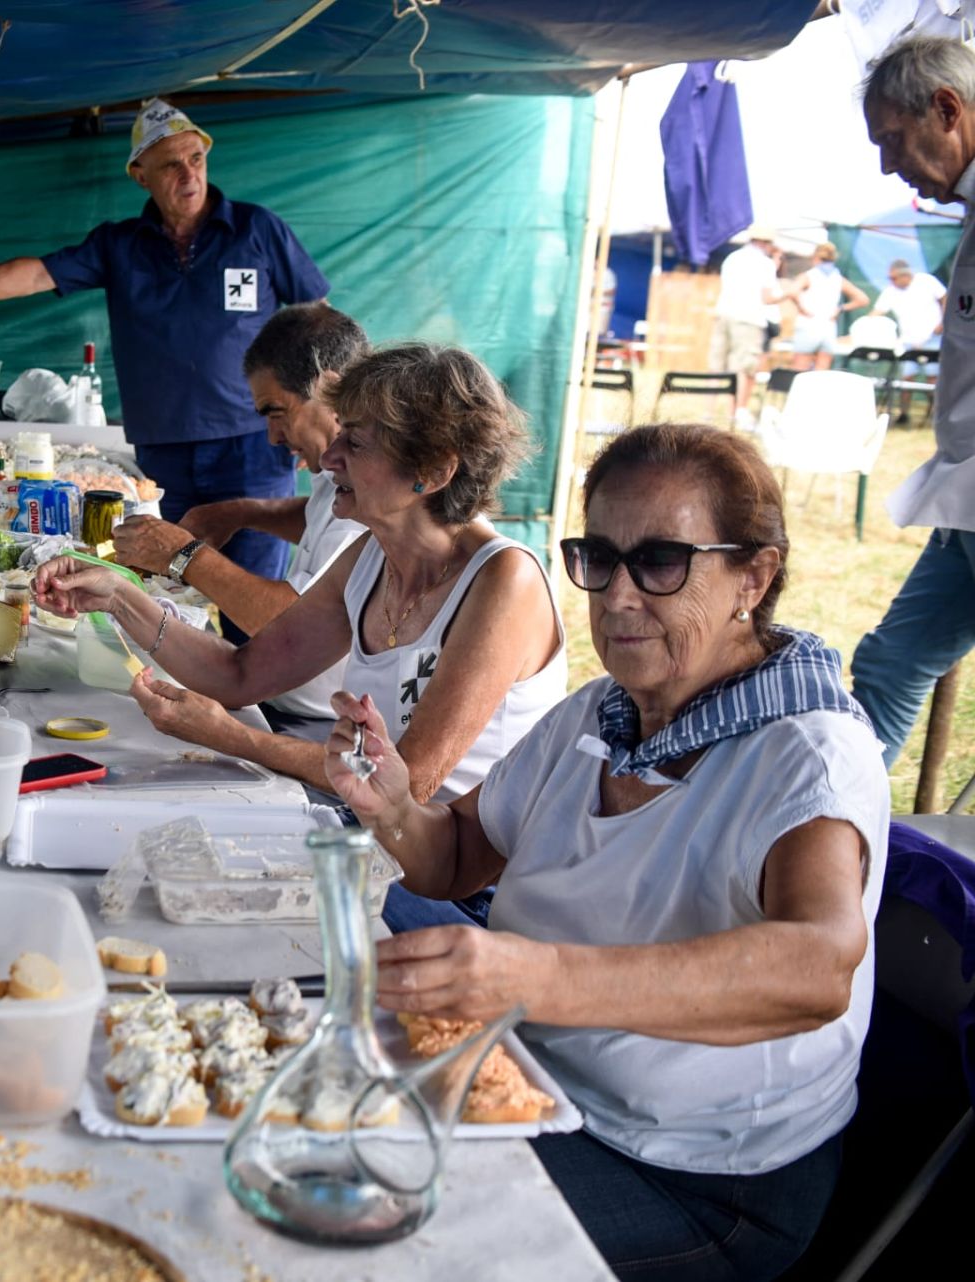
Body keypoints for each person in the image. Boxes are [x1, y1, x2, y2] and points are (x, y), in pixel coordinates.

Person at [323, 422, 887, 1281]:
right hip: (524, 1078)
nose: (618, 597)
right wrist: (395, 804)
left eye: (661, 562)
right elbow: (460, 854)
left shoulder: (806, 753)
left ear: (754, 575)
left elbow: (816, 968)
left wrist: (532, 978)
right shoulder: (601, 714)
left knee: (369, 1231)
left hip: (689, 1173)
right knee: (311, 1127)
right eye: (598, 558)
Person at [33, 344, 564, 930]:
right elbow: (240, 676)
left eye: (355, 443)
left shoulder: (502, 582)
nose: (328, 457)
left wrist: (235, 738)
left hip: (454, 890)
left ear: (434, 471)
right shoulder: (371, 556)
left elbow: (407, 782)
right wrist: (119, 596)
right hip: (367, 837)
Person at [0, 98, 330, 582]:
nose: (188, 174)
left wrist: (316, 414)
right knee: (169, 583)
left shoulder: (256, 230)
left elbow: (317, 321)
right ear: (141, 175)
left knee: (257, 585)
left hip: (251, 444)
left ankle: (256, 660)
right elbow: (37, 274)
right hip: (164, 453)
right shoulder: (119, 244)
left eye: (196, 159)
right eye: (171, 164)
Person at [108, 302, 368, 738]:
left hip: (323, 728)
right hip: (275, 696)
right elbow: (318, 519)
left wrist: (183, 554)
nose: (272, 436)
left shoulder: (370, 485)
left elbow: (289, 624)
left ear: (331, 390)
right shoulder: (336, 470)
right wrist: (238, 512)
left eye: (276, 412)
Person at [854, 34, 975, 765]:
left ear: (947, 108)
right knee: (888, 666)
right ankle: (827, 840)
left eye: (893, 139)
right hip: (966, 499)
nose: (887, 164)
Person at [710, 227, 800, 415]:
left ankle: (708, 411)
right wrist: (789, 293)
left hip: (723, 314)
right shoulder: (764, 264)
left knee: (718, 366)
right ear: (765, 243)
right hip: (749, 319)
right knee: (745, 368)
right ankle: (737, 412)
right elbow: (767, 298)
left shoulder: (732, 257)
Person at [869, 256, 948, 422]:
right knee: (906, 380)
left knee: (932, 379)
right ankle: (904, 414)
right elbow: (876, 313)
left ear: (905, 275)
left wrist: (943, 322)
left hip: (932, 338)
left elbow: (945, 298)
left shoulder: (927, 282)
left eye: (894, 277)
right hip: (908, 341)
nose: (892, 281)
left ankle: (936, 413)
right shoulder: (890, 291)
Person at [789, 242, 868, 371]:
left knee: (800, 368)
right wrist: (840, 308)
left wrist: (801, 308)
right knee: (822, 369)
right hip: (828, 327)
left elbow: (792, 292)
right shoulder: (837, 278)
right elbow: (863, 299)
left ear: (815, 257)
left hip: (808, 324)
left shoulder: (809, 276)